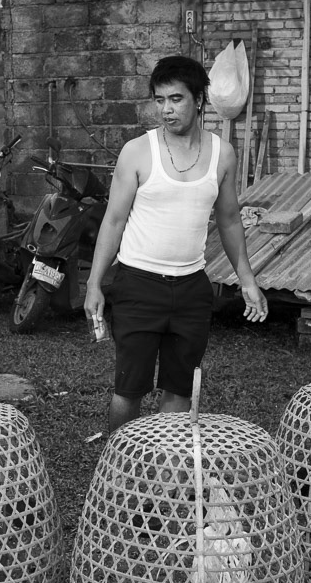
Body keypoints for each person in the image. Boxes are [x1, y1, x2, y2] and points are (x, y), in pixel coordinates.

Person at [83, 54, 269, 435]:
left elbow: (230, 220)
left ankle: (163, 475)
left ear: (199, 100)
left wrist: (247, 280)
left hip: (191, 289)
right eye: (159, 100)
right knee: (128, 389)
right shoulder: (137, 152)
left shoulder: (223, 155)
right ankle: (118, 465)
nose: (166, 110)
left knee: (180, 390)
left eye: (176, 99)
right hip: (138, 285)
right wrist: (94, 284)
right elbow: (114, 221)